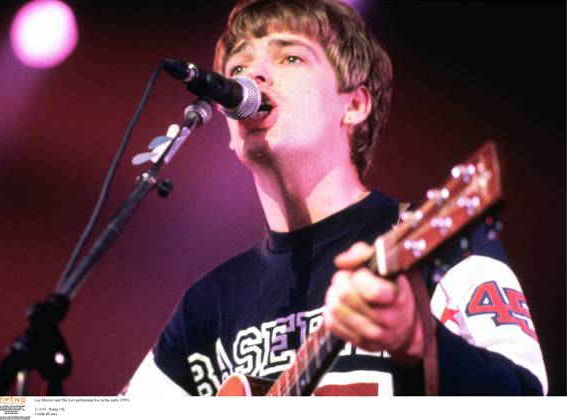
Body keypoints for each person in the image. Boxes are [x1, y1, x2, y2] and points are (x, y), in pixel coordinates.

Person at [124, 0, 547, 396]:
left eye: (290, 57)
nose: (251, 77)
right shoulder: (206, 305)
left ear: (355, 104)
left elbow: (530, 399)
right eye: (238, 65)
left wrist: (420, 342)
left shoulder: (431, 236)